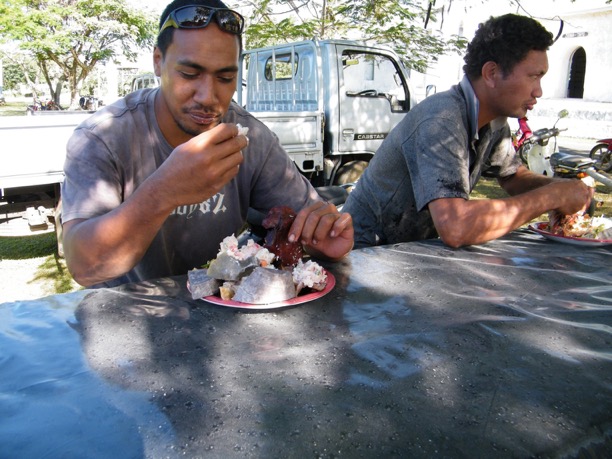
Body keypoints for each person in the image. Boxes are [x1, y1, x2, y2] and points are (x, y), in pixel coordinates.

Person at [60, 0, 353, 288]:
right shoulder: (104, 137)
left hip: (218, 310)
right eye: (189, 74)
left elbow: (310, 228)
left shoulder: (250, 139)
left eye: (225, 78)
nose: (208, 97)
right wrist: (164, 191)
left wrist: (325, 241)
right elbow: (84, 267)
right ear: (158, 61)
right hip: (124, 311)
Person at [342, 14, 593, 249]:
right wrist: (551, 196)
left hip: (405, 254)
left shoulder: (494, 121)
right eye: (533, 76)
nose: (538, 91)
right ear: (491, 73)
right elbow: (456, 226)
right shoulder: (442, 119)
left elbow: (513, 177)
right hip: (363, 254)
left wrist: (564, 188)